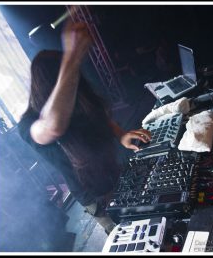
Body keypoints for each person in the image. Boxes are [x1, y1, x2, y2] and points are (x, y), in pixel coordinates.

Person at [18, 19, 151, 235]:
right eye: (66, 78)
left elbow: (101, 118)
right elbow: (53, 128)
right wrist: (72, 57)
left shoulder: (79, 98)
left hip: (116, 173)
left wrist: (122, 135)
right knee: (127, 235)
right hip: (94, 196)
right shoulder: (28, 124)